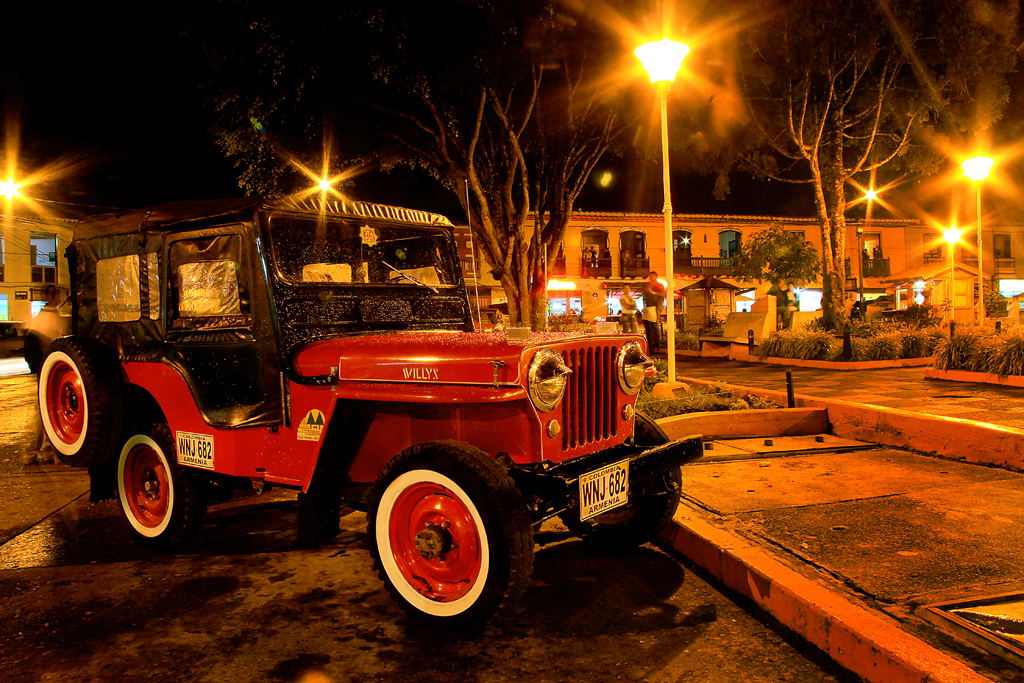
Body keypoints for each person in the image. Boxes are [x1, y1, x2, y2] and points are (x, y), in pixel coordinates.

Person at [22, 285, 68, 465]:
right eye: (58, 294)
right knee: (47, 410)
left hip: (42, 369)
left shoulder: (38, 319)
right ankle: (39, 451)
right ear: (52, 296)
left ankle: (38, 451)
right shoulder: (53, 320)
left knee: (44, 409)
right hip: (49, 370)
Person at [641, 271, 665, 350]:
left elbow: (662, 295)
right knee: (650, 324)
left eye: (653, 276)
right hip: (650, 307)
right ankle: (653, 341)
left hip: (657, 305)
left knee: (655, 322)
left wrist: (653, 292)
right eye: (650, 276)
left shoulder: (659, 285)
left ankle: (658, 340)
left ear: (656, 276)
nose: (651, 277)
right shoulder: (649, 285)